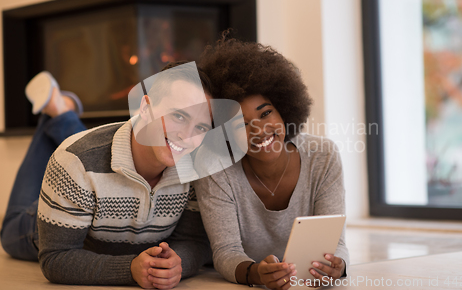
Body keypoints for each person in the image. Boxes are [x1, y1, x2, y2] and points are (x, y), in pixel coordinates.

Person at [1, 62, 213, 288]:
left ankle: (60, 111)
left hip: (90, 181)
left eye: (201, 127)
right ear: (145, 108)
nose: (187, 136)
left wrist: (178, 262)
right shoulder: (73, 162)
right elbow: (56, 257)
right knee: (8, 232)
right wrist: (130, 269)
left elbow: (195, 242)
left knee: (92, 155)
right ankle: (57, 112)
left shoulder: (197, 169)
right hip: (41, 222)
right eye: (179, 116)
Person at [193, 37, 350, 290]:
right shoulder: (215, 169)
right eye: (240, 124)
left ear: (284, 109)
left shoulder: (323, 155)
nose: (260, 130)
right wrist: (256, 274)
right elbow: (225, 251)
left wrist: (338, 265)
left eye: (266, 113)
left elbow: (336, 242)